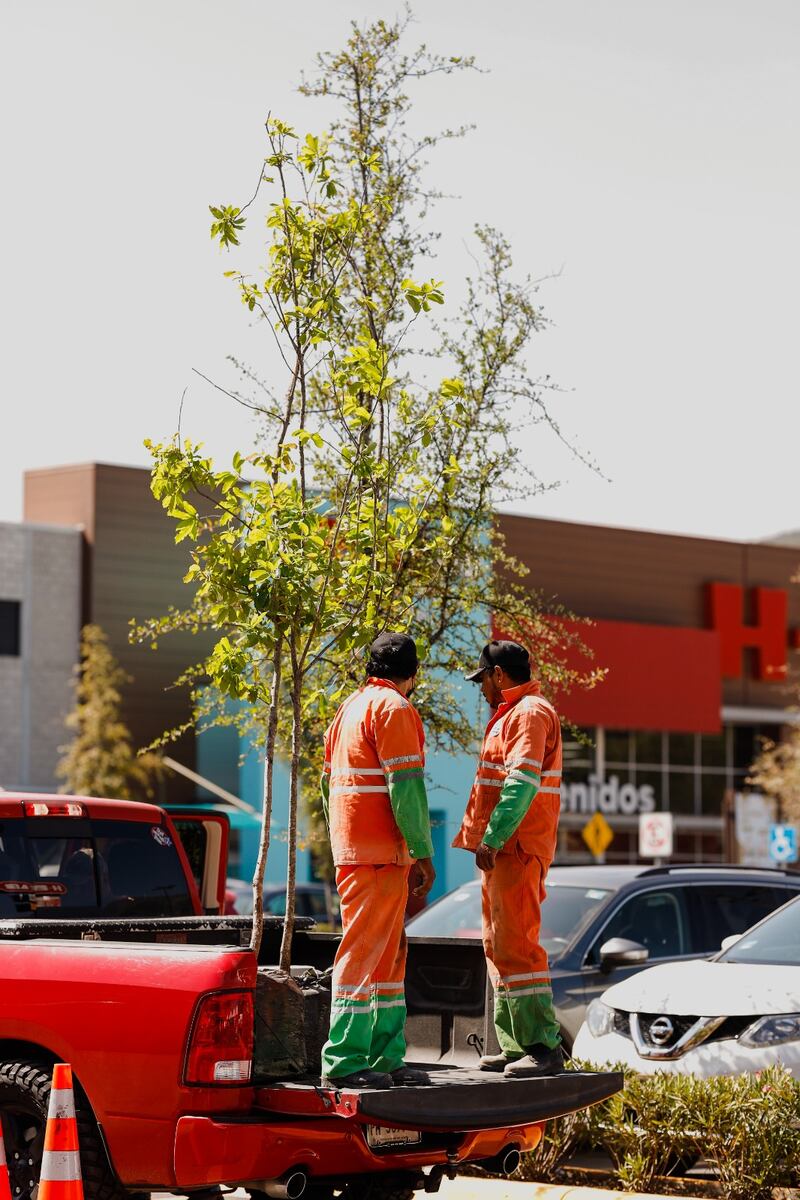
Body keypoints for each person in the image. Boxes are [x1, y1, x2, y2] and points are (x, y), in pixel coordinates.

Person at [319, 631, 436, 1089]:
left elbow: (329, 789)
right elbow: (406, 788)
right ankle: (346, 1063)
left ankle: (386, 1058)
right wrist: (422, 852)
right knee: (365, 953)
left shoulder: (348, 708)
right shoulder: (395, 709)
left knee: (387, 957)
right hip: (379, 854)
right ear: (413, 674)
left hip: (359, 852)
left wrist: (340, 843)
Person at [453, 638, 564, 1077]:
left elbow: (521, 783)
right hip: (505, 850)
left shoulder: (529, 714)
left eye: (483, 679)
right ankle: (518, 1046)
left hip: (516, 847)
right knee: (499, 947)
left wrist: (494, 839)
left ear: (499, 675)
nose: (481, 688)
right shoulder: (513, 715)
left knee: (518, 947)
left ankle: (542, 1046)